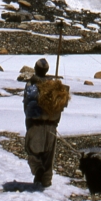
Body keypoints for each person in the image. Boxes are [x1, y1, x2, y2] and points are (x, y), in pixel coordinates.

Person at [23, 58, 61, 188]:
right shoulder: (54, 86)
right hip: (51, 125)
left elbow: (27, 105)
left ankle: (38, 170)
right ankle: (46, 182)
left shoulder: (31, 85)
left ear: (35, 68)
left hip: (35, 124)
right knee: (49, 155)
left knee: (32, 151)